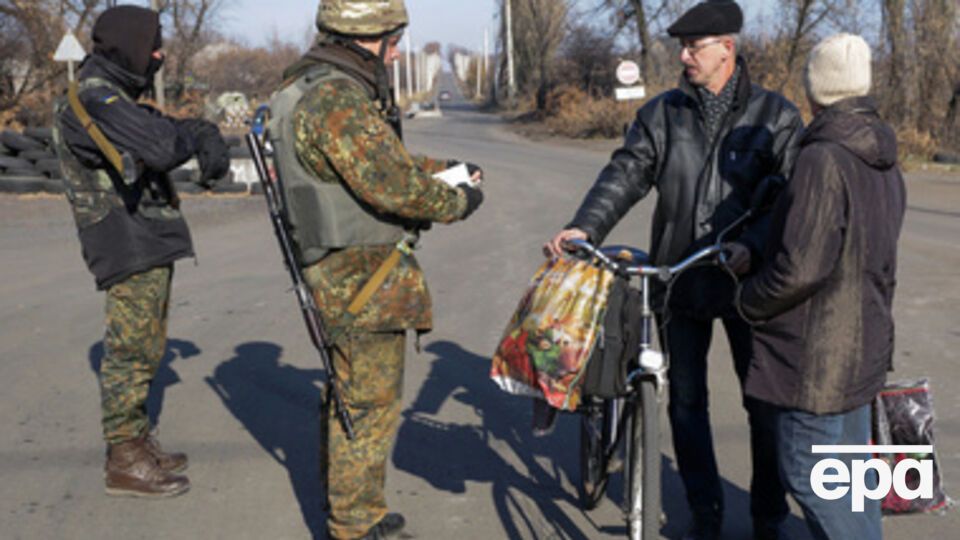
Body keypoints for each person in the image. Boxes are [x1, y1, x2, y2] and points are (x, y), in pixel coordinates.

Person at [545, 1, 804, 538]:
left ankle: (768, 516)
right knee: (685, 402)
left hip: (745, 284)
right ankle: (704, 511)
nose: (683, 55)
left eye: (694, 46)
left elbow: (787, 199)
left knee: (764, 407)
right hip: (679, 278)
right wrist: (584, 228)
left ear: (726, 48)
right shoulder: (663, 114)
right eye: (681, 47)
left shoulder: (775, 117)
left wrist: (752, 248)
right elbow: (626, 173)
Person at [270, 1, 483, 538]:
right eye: (394, 40)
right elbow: (391, 185)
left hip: (345, 269)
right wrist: (457, 201)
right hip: (361, 275)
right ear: (374, 38)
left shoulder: (315, 87)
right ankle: (356, 524)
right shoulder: (337, 97)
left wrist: (449, 170)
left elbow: (381, 160)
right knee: (367, 404)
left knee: (351, 395)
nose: (396, 51)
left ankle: (349, 505)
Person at [52, 5, 230, 498]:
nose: (158, 54)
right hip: (123, 238)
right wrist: (191, 136)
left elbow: (159, 128)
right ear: (128, 45)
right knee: (131, 351)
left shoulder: (114, 96)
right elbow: (160, 144)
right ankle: (125, 459)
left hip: (143, 235)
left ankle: (137, 441)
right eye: (152, 44)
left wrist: (199, 131)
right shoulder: (94, 96)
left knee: (149, 345)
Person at [737, 33, 906, 540]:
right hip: (865, 347)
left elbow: (801, 267)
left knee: (811, 474)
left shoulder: (822, 158)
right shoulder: (883, 155)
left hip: (818, 361)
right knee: (852, 485)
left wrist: (749, 299)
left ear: (817, 88)